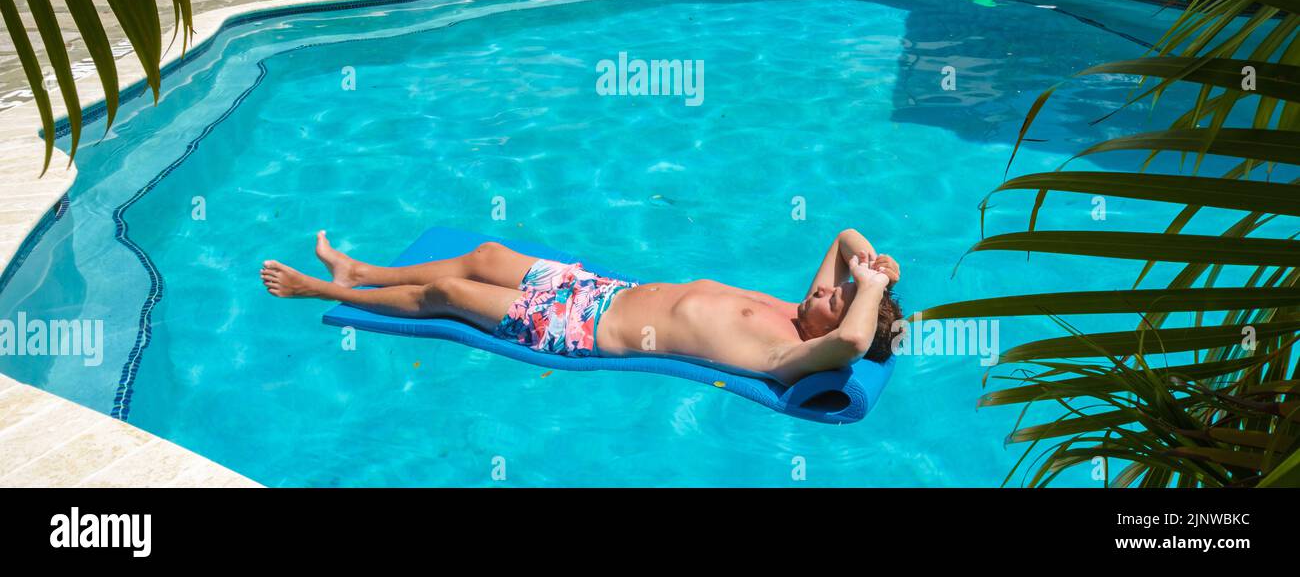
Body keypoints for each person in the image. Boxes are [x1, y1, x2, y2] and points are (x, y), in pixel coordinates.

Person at [263, 228, 902, 385]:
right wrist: (876, 264)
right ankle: (362, 269)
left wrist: (867, 294)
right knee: (485, 253)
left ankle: (325, 289)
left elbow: (849, 344)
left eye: (839, 296)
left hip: (580, 327)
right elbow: (844, 235)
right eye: (839, 283)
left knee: (451, 296)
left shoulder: (788, 353)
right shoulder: (794, 308)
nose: (830, 286)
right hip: (598, 289)